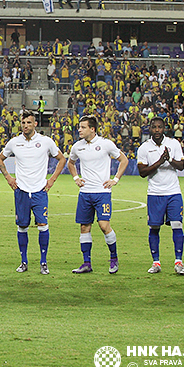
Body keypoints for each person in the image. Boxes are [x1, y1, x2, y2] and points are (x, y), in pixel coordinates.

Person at [0, 111, 66, 275]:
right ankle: (24, 261)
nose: (25, 125)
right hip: (21, 191)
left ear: (35, 124)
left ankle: (43, 262)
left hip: (39, 191)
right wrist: (8, 177)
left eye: (29, 122)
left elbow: (62, 159)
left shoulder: (45, 142)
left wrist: (52, 180)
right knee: (22, 226)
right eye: (23, 122)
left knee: (43, 225)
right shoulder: (14, 142)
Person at [67, 115, 129, 274]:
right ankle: (86, 263)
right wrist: (76, 178)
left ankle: (114, 258)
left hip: (102, 193)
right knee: (84, 227)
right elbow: (70, 163)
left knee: (103, 225)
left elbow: (124, 160)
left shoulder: (106, 144)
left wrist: (115, 179)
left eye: (83, 127)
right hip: (85, 193)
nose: (79, 130)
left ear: (92, 129)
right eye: (79, 127)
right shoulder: (77, 146)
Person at [137, 117, 184, 275]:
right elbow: (142, 173)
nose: (157, 130)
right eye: (154, 127)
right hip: (155, 193)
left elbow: (182, 166)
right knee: (154, 227)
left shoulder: (173, 144)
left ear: (164, 128)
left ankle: (178, 262)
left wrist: (169, 160)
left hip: (173, 192)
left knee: (177, 225)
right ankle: (156, 262)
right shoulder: (144, 148)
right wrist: (160, 161)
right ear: (150, 129)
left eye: (160, 127)